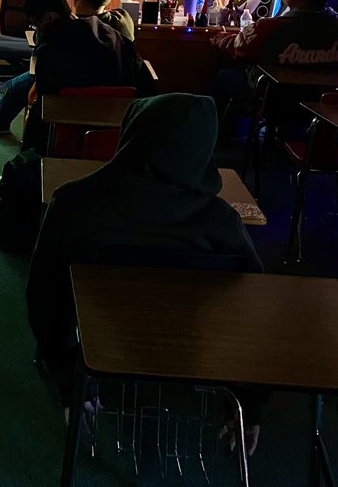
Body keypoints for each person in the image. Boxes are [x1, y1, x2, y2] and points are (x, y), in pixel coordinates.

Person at [26, 94, 263, 410]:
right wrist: (249, 401)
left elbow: (43, 295)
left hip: (98, 342)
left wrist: (64, 369)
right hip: (190, 349)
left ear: (132, 134)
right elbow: (253, 309)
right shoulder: (223, 224)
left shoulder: (72, 205)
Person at [0, 0, 135, 136]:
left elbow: (45, 79)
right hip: (119, 105)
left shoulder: (59, 37)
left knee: (22, 83)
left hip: (69, 101)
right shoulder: (121, 22)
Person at [19, 0, 155, 152]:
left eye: (35, 25)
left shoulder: (50, 52)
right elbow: (144, 83)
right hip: (121, 137)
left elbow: (46, 107)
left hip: (68, 139)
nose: (37, 30)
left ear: (49, 18)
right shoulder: (112, 35)